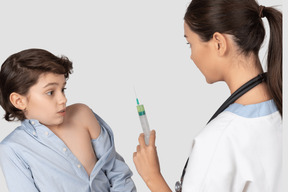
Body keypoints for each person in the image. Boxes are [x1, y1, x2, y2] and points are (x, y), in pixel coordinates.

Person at [133, 0, 282, 191]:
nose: (191, 56)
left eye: (190, 43)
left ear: (219, 43)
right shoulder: (278, 108)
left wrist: (152, 176)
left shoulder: (218, 141)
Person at [0, 48, 136, 192]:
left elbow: (117, 172)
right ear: (19, 101)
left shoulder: (82, 115)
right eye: (50, 92)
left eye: (63, 89)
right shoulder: (13, 149)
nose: (63, 99)